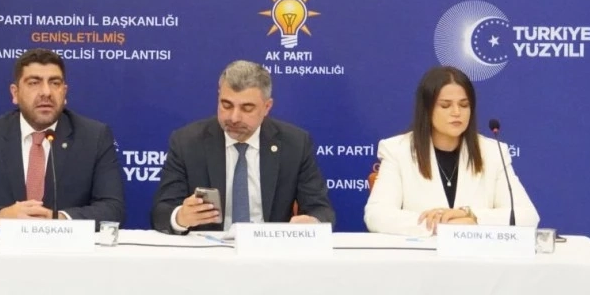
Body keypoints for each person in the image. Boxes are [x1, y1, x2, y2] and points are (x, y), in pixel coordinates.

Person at [0, 48, 125, 230]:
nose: (46, 92)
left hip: (66, 246)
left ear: (64, 92)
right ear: (15, 93)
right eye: (34, 83)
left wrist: (59, 219)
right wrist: (1, 216)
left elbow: (112, 209)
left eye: (55, 83)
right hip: (3, 247)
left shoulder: (94, 137)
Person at [151, 60, 334, 233]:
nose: (234, 118)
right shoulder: (187, 142)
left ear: (267, 107)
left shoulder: (295, 144)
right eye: (226, 105)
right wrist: (180, 217)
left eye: (247, 108)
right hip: (209, 249)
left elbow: (321, 209)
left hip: (269, 248)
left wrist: (312, 223)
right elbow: (161, 211)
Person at [365, 65, 538, 235]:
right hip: (423, 252)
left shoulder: (493, 152)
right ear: (427, 109)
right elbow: (377, 216)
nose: (456, 112)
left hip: (477, 252)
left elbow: (527, 216)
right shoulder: (397, 150)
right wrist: (442, 224)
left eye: (464, 105)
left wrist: (472, 217)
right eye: (445, 105)